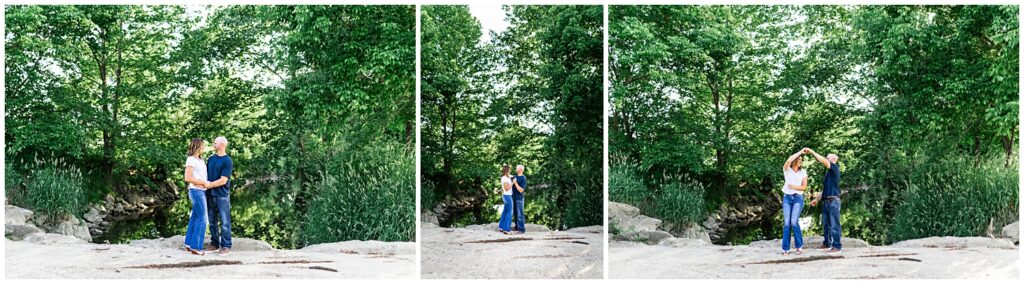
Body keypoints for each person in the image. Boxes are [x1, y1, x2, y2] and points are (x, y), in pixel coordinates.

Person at [805, 147, 842, 254]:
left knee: (835, 224)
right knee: (826, 224)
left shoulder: (834, 168)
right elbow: (825, 189)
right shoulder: (828, 174)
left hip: (834, 201)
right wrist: (816, 199)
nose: (826, 159)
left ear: (833, 159)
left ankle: (837, 246)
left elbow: (824, 162)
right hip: (826, 201)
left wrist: (812, 152)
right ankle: (827, 243)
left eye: (828, 158)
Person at [205, 136, 234, 256]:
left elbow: (223, 180)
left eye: (215, 143)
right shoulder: (211, 159)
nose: (213, 144)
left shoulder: (228, 161)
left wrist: (210, 185)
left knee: (225, 222)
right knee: (212, 221)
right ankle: (215, 243)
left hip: (222, 195)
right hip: (209, 194)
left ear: (222, 144)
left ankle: (226, 246)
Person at [183, 138, 211, 255]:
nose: (204, 147)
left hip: (201, 191)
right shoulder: (190, 160)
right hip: (196, 191)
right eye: (202, 145)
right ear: (198, 146)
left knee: (195, 217)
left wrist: (204, 183)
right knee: (203, 218)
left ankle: (189, 244)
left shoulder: (200, 159)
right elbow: (187, 178)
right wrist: (202, 183)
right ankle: (196, 247)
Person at [780, 150, 808, 255]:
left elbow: (804, 187)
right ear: (794, 160)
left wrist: (793, 187)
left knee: (793, 222)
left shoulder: (803, 172)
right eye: (799, 159)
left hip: (798, 198)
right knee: (787, 223)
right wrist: (801, 152)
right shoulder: (787, 170)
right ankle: (785, 248)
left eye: (801, 159)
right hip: (787, 198)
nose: (801, 161)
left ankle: (799, 246)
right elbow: (788, 160)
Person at [510, 165, 527, 234]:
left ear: (520, 169)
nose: (516, 169)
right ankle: (517, 227)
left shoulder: (523, 178)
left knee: (520, 214)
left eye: (516, 168)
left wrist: (515, 183)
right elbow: (508, 175)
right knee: (515, 214)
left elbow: (521, 190)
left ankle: (522, 229)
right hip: (513, 198)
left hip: (519, 199)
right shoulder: (515, 177)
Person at [498, 165, 514, 233]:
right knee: (510, 212)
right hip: (507, 196)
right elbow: (507, 188)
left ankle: (501, 227)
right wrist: (513, 183)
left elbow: (512, 176)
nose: (510, 171)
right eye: (509, 170)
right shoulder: (504, 178)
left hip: (506, 196)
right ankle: (506, 229)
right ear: (506, 171)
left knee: (505, 212)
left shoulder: (507, 177)